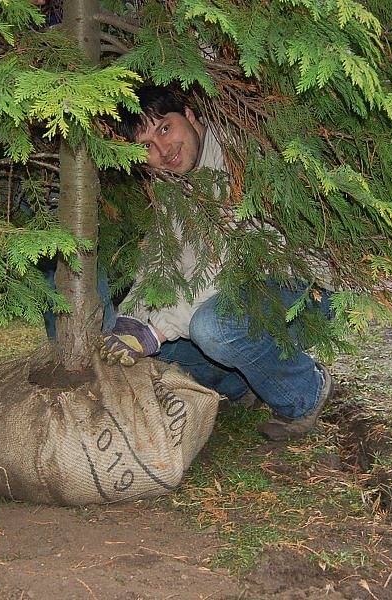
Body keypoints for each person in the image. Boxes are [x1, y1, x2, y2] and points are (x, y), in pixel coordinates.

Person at [99, 84, 335, 441]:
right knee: (167, 353)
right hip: (242, 296)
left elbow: (227, 261)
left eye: (165, 128)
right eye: (147, 146)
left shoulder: (236, 158)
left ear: (190, 116)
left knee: (213, 328)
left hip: (302, 294)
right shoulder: (173, 182)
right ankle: (243, 386)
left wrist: (156, 330)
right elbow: (162, 257)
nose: (164, 150)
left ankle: (304, 393)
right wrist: (133, 318)